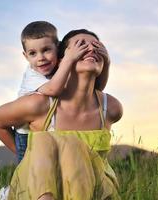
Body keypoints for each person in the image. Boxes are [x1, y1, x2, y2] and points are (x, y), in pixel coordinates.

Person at [0, 29, 123, 199]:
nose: (91, 49)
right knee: (46, 141)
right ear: (61, 60)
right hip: (41, 189)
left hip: (96, 189)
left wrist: (107, 62)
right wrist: (26, 156)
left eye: (97, 46)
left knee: (73, 147)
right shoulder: (39, 103)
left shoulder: (111, 107)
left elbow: (95, 88)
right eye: (80, 45)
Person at [12, 21, 110, 164]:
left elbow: (97, 89)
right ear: (26, 56)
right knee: (26, 171)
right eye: (33, 53)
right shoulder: (34, 76)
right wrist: (69, 59)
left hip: (44, 133)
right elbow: (54, 89)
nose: (40, 58)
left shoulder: (55, 67)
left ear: (57, 50)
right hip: (24, 132)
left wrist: (106, 62)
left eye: (46, 50)